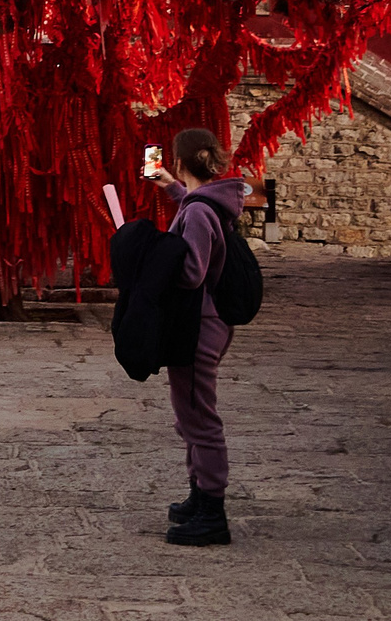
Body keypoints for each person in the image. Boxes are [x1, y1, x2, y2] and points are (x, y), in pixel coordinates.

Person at [147, 126, 249, 546]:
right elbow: (196, 211)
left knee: (198, 418)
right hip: (211, 322)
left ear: (178, 160)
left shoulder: (198, 213)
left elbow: (191, 272)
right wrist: (173, 188)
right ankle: (199, 495)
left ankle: (212, 510)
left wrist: (151, 259)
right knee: (190, 413)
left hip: (197, 327)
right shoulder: (211, 201)